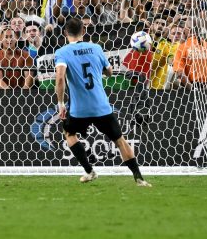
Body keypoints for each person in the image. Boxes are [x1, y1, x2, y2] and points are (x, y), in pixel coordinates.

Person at [54, 18, 151, 187]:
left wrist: (61, 103)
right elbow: (109, 72)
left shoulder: (62, 52)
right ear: (83, 31)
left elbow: (60, 78)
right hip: (101, 106)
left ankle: (89, 171)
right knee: (120, 141)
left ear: (65, 34)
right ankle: (139, 178)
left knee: (69, 134)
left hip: (79, 110)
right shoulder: (96, 48)